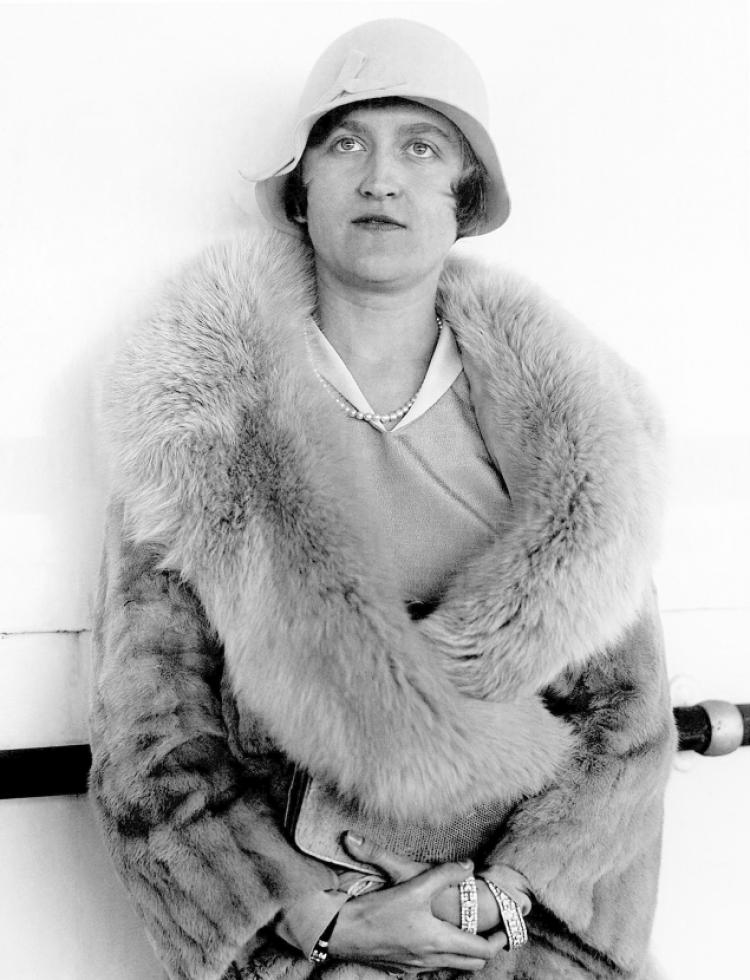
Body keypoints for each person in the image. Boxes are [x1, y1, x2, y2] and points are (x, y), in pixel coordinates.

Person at [89, 18, 675, 980]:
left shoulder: (579, 429)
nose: (382, 179)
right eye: (346, 143)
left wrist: (504, 901)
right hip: (309, 939)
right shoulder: (198, 419)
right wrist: (322, 921)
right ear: (302, 188)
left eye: (423, 147)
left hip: (522, 935)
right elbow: (152, 737)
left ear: (463, 197)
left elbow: (629, 724)